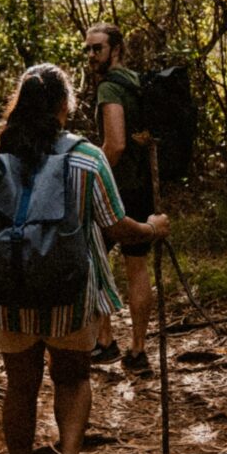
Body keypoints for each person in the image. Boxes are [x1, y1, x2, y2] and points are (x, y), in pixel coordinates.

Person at [0, 64, 170, 454]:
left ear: (19, 104)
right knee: (73, 376)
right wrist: (154, 229)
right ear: (65, 105)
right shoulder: (87, 157)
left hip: (12, 298)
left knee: (20, 385)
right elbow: (118, 227)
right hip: (70, 297)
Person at [84, 23, 156, 376]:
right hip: (143, 187)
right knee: (137, 266)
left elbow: (115, 144)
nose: (91, 56)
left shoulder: (111, 87)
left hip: (118, 188)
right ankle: (138, 350)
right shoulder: (138, 82)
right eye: (88, 49)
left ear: (116, 49)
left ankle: (105, 342)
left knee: (93, 257)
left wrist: (92, 177)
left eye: (97, 48)